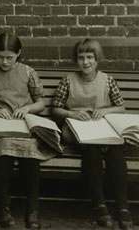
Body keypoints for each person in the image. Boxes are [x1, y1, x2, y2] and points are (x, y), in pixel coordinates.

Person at [0, 33, 58, 229]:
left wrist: (27, 109)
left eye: (9, 57)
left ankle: (32, 208)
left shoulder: (27, 72)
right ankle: (4, 207)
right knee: (4, 152)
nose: (4, 61)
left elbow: (40, 102)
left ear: (18, 54)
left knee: (30, 155)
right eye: (0, 56)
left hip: (22, 124)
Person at [52, 38, 133, 230]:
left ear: (97, 60)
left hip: (102, 128)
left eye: (90, 57)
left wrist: (106, 111)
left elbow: (121, 107)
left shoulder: (107, 80)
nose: (85, 62)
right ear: (76, 60)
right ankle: (99, 204)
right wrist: (71, 113)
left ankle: (122, 206)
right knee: (92, 150)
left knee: (116, 153)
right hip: (78, 130)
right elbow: (56, 108)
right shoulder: (68, 80)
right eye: (81, 57)